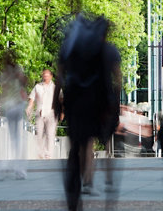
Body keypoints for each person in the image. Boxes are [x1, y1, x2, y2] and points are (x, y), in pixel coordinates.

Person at [56, 14, 122, 211]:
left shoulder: (70, 48)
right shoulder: (110, 51)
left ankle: (74, 197)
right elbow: (118, 80)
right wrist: (115, 104)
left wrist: (55, 104)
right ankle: (92, 183)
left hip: (76, 105)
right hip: (98, 106)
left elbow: (60, 77)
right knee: (91, 144)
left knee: (76, 148)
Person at [0, 50, 28, 180]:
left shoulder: (4, 73)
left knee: (13, 137)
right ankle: (18, 169)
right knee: (17, 138)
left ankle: (6, 168)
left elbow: (4, 91)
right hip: (17, 105)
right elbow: (25, 82)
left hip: (11, 106)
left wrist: (0, 106)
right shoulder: (16, 69)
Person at [26, 69, 58, 159]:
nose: (45, 77)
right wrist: (29, 107)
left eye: (47, 75)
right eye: (44, 75)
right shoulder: (37, 86)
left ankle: (48, 154)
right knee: (39, 134)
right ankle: (40, 153)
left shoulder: (55, 88)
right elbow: (32, 98)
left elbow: (61, 100)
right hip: (39, 113)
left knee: (50, 134)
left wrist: (62, 111)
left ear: (51, 76)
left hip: (51, 114)